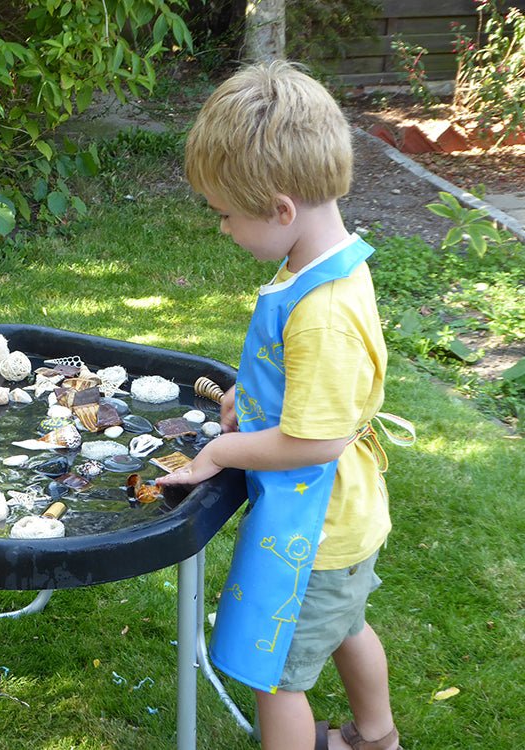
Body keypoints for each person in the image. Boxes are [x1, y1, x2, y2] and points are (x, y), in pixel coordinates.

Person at [157, 61, 412, 750]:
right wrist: (256, 393)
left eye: (228, 216)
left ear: (280, 209)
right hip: (341, 519)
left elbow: (317, 441)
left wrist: (219, 450)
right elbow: (310, 385)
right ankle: (376, 737)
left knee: (279, 677)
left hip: (317, 528)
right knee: (347, 627)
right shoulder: (320, 261)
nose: (224, 230)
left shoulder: (324, 310)